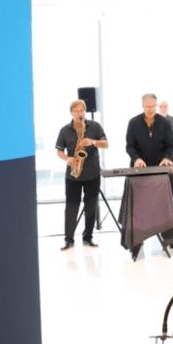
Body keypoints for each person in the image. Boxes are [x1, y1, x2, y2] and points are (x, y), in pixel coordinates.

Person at [125, 93, 173, 248]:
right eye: (148, 106)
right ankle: (137, 240)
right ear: (142, 106)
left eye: (153, 106)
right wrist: (136, 158)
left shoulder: (164, 123)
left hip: (159, 168)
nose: (151, 109)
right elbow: (129, 146)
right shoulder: (133, 123)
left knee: (164, 204)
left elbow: (171, 145)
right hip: (139, 168)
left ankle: (169, 238)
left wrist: (167, 157)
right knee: (139, 205)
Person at [55, 99, 108, 250]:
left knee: (91, 206)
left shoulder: (95, 126)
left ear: (85, 111)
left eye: (82, 110)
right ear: (71, 113)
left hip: (92, 174)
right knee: (71, 207)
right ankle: (68, 239)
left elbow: (106, 144)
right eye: (76, 111)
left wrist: (93, 142)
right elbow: (59, 151)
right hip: (73, 174)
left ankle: (88, 237)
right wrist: (67, 158)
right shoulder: (65, 130)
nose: (80, 114)